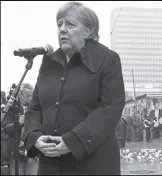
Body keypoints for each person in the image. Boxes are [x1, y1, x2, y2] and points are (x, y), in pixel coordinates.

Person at [23, 2, 125, 175]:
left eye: (70, 24)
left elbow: (110, 108)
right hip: (50, 166)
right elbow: (35, 108)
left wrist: (73, 142)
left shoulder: (108, 60)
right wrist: (34, 137)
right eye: (59, 24)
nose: (62, 29)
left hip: (93, 165)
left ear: (88, 31)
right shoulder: (49, 63)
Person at [9, 83, 39, 175]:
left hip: (32, 151)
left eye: (31, 95)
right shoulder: (11, 108)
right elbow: (4, 127)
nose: (30, 98)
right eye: (27, 95)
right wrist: (18, 123)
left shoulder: (36, 108)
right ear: (20, 94)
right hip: (16, 152)